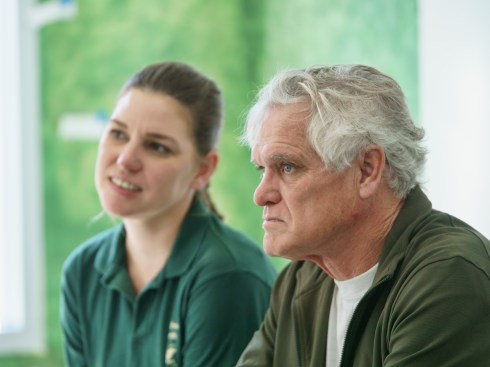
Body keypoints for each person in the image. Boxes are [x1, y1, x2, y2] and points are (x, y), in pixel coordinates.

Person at [235, 64, 490, 367]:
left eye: (287, 167)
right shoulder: (299, 281)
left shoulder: (449, 274)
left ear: (367, 170)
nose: (261, 195)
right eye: (262, 169)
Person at [60, 61, 276, 367]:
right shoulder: (82, 271)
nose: (125, 159)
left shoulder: (228, 275)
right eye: (118, 134)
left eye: (157, 147)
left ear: (202, 170)